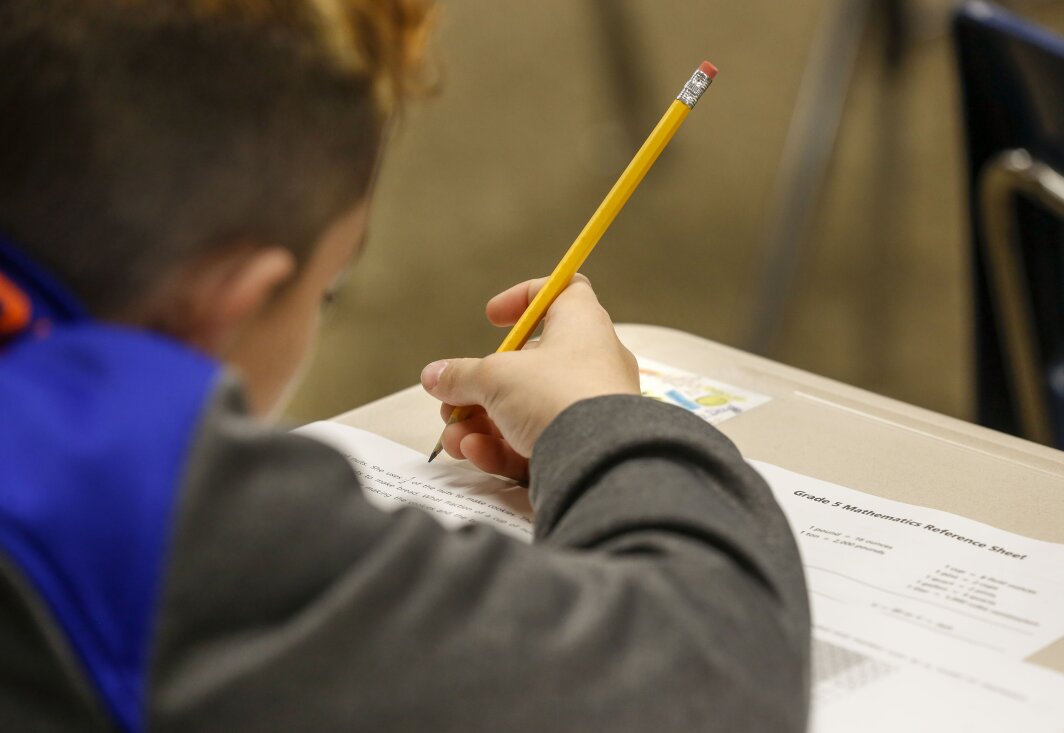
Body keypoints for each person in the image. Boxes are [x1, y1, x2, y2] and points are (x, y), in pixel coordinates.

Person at [0, 1, 811, 731]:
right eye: (329, 288)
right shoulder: (128, 500)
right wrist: (597, 418)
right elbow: (716, 664)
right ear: (238, 299)